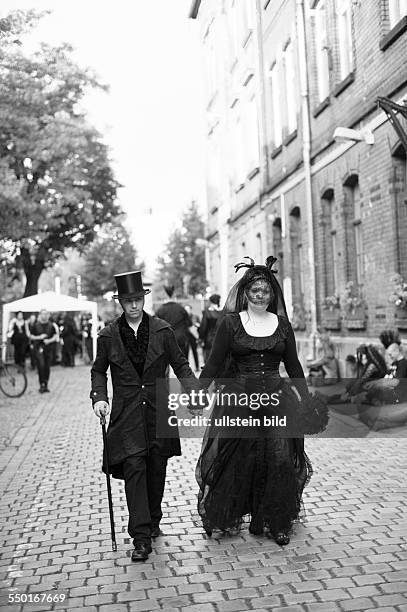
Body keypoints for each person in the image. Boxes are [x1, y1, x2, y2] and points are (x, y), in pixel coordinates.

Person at [195, 256, 313, 546]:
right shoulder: (231, 324)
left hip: (276, 400)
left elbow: (294, 366)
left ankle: (275, 520)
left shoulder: (282, 325)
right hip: (238, 401)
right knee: (236, 457)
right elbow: (213, 364)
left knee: (279, 457)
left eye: (266, 291)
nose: (260, 296)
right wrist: (196, 392)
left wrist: (306, 399)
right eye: (255, 290)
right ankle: (225, 516)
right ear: (245, 292)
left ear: (272, 295)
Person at [91, 271, 199, 562]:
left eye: (137, 300)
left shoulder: (163, 330)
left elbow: (180, 364)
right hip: (126, 413)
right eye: (128, 301)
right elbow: (99, 370)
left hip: (158, 409)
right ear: (121, 303)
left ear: (143, 300)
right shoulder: (108, 335)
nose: (134, 306)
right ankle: (140, 537)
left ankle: (153, 518)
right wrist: (100, 398)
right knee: (134, 468)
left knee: (156, 468)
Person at [156, 286, 191, 358]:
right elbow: (189, 323)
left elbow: (156, 327)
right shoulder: (181, 309)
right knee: (182, 362)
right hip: (180, 339)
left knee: (165, 365)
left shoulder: (160, 310)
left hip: (166, 339)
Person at [30, 309, 58, 393]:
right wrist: (40, 337)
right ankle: (41, 384)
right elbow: (31, 336)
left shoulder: (51, 325)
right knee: (41, 365)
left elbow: (55, 336)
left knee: (47, 367)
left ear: (48, 315)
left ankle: (45, 384)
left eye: (46, 314)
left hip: (48, 349)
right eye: (43, 314)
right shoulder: (36, 325)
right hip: (39, 348)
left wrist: (49, 340)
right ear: (40, 315)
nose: (45, 315)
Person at [199, 294, 222, 362]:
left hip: (210, 340)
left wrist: (200, 338)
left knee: (209, 361)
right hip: (222, 340)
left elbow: (203, 327)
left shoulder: (207, 313)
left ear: (211, 302)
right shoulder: (224, 312)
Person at [184, 304, 200, 371]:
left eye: (188, 309)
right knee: (185, 353)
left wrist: (197, 325)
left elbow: (199, 324)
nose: (187, 310)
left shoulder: (195, 316)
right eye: (185, 309)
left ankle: (197, 367)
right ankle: (186, 369)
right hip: (186, 337)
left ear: (190, 309)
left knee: (194, 352)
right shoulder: (183, 318)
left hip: (193, 336)